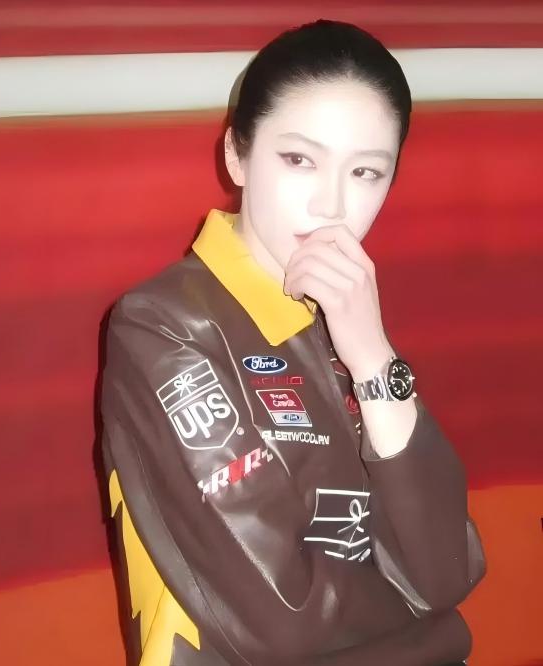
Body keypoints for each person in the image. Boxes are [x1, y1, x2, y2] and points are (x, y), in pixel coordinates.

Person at [99, 19, 486, 666]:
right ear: (237, 155)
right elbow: (287, 617)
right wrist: (423, 605)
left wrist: (373, 356)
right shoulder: (162, 325)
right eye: (299, 160)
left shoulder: (348, 314)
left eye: (366, 171)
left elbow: (448, 568)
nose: (331, 205)